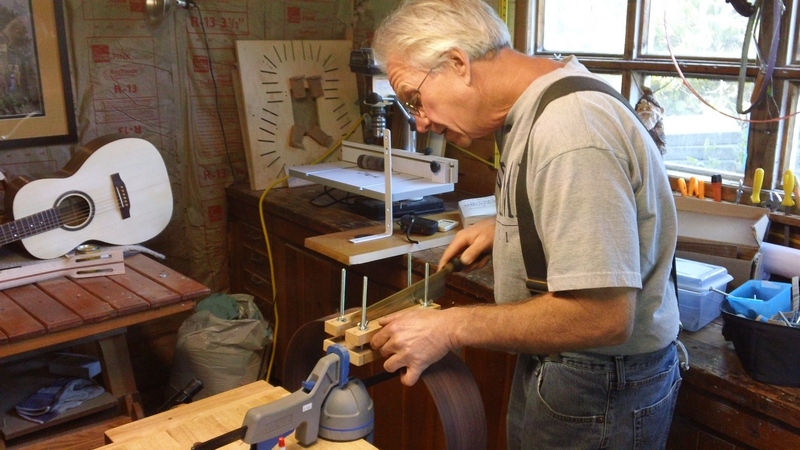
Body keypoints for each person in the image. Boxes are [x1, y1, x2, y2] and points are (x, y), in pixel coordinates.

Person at [368, 1, 683, 448]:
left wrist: (449, 327)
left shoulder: (570, 130)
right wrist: (512, 228)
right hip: (575, 367)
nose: (419, 122)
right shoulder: (538, 105)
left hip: (599, 383)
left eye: (415, 100)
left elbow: (604, 316)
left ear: (458, 63)